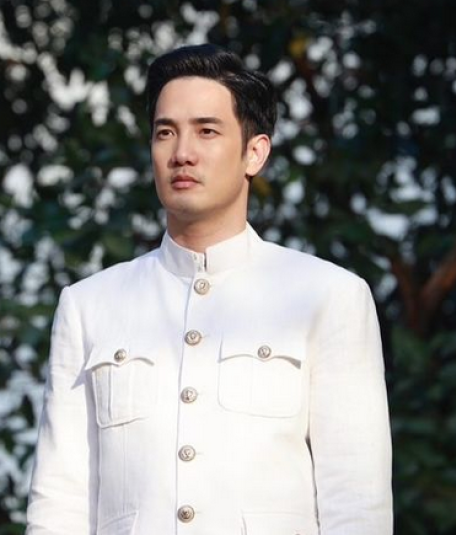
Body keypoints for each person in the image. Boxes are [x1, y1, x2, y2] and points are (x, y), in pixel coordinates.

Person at [26, 44, 393, 535]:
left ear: (254, 152)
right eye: (165, 132)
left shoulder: (327, 295)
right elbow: (59, 502)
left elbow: (357, 502)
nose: (182, 153)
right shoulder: (90, 305)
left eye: (207, 131)